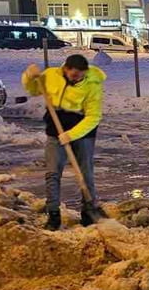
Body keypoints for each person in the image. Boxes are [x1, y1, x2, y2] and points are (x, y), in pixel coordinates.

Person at [22, 55, 106, 230]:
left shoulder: (93, 84)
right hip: (55, 129)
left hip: (83, 131)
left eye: (81, 75)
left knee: (85, 173)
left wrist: (72, 134)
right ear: (65, 69)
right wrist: (29, 77)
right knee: (52, 173)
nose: (78, 78)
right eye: (74, 75)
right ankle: (53, 215)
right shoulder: (51, 75)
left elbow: (94, 116)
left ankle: (88, 212)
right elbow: (33, 90)